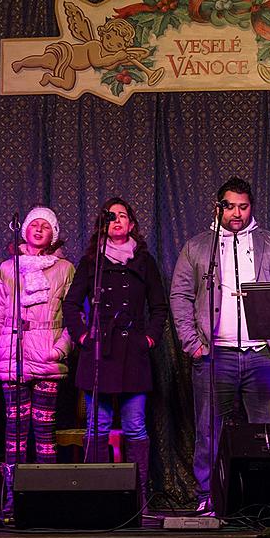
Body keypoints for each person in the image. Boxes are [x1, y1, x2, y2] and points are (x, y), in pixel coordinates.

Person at [169, 177, 270, 513]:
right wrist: (192, 343)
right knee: (209, 431)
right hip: (216, 356)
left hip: (263, 355)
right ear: (219, 207)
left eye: (243, 206)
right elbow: (180, 295)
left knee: (266, 432)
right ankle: (207, 497)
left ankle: (263, 499)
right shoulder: (198, 247)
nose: (237, 213)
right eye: (230, 206)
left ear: (251, 206)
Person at [62, 197, 168, 509]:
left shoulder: (144, 262)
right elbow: (70, 304)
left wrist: (148, 339)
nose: (118, 221)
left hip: (133, 352)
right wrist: (83, 337)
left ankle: (139, 496)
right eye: (112, 217)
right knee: (98, 425)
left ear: (132, 224)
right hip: (99, 353)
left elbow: (159, 307)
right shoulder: (91, 263)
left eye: (123, 216)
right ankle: (98, 495)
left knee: (135, 424)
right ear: (103, 225)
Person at [0, 206, 75, 514]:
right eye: (35, 224)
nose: (39, 229)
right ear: (25, 230)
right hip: (12, 357)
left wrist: (59, 350)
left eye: (46, 226)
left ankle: (48, 499)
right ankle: (13, 498)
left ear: (53, 234)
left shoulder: (65, 269)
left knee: (44, 432)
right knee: (14, 433)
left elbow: (75, 316)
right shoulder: (8, 268)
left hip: (45, 357)